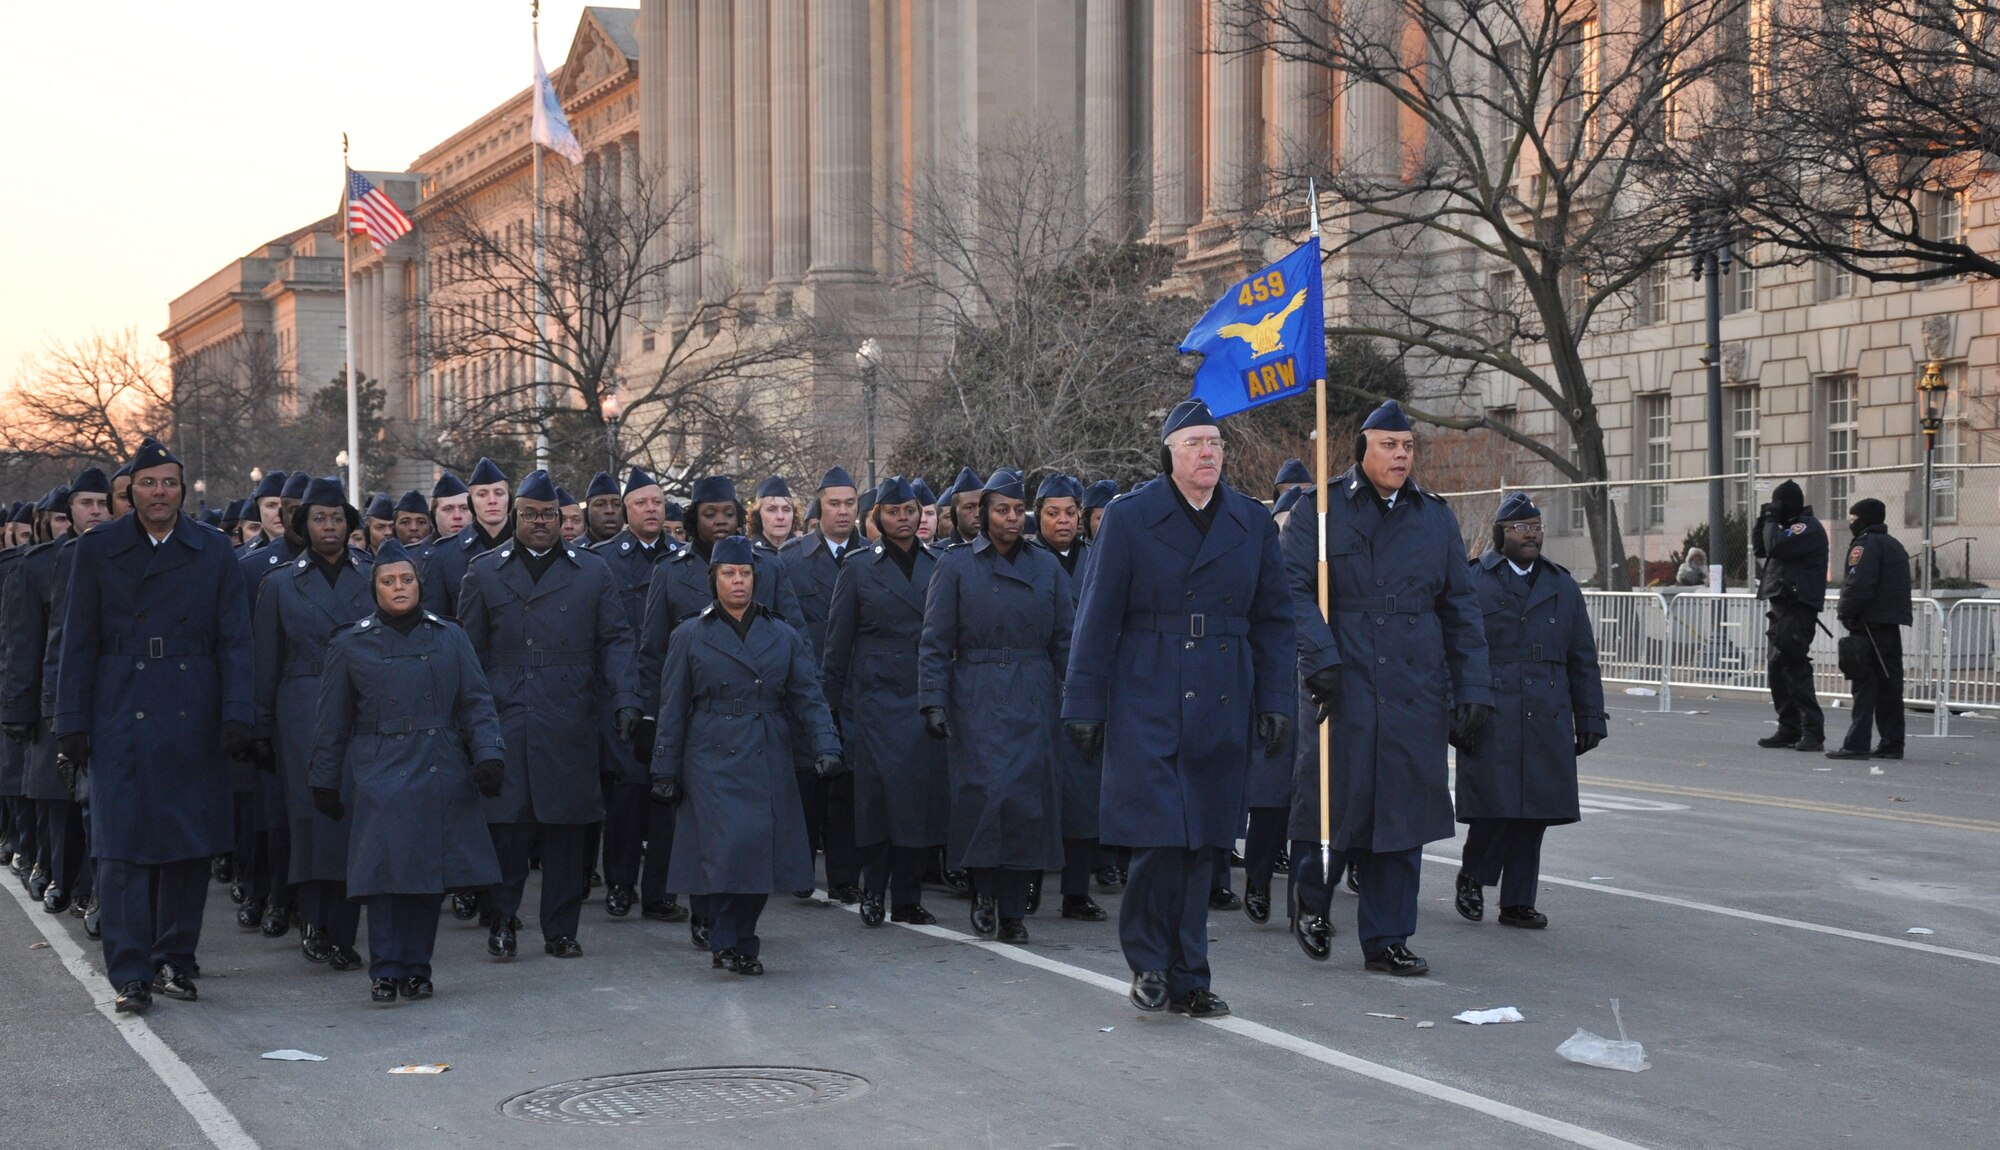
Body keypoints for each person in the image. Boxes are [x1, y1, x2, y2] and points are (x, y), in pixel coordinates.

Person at [1065, 402, 1292, 1017]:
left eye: (1215, 443)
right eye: (1194, 443)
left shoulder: (1250, 521)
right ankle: (1150, 964)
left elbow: (1273, 621)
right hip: (1149, 690)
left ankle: (1192, 975)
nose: (1208, 453)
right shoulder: (1131, 517)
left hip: (1223, 690)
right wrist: (1083, 703)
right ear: (1169, 452)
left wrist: (1276, 699)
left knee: (1205, 846)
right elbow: (1097, 616)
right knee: (1159, 841)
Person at [1281, 400, 1491, 978]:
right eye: (1389, 446)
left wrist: (1472, 687)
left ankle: (1388, 937)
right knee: (1333, 807)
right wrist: (1320, 657)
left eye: (1408, 447)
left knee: (1402, 816)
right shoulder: (1319, 510)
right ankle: (1312, 903)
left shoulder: (1434, 518)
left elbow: (1460, 608)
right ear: (1362, 451)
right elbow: (1290, 589)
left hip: (1413, 683)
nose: (1401, 456)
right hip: (1340, 683)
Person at [54, 439, 255, 1013]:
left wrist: (238, 713)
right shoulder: (97, 551)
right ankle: (131, 971)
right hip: (119, 708)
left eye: (168, 482)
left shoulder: (213, 549)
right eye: (147, 483)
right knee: (120, 852)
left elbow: (235, 641)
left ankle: (176, 958)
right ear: (130, 491)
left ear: (182, 489)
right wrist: (70, 721)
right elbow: (78, 642)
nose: (159, 492)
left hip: (193, 708)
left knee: (187, 850)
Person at [309, 540, 505, 1003]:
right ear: (373, 588)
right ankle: (385, 967)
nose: (399, 588)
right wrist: (324, 778)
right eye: (388, 581)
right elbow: (331, 719)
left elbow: (476, 702)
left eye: (407, 580)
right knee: (384, 874)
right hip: (379, 765)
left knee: (426, 876)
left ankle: (418, 968)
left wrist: (489, 754)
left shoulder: (450, 636)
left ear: (419, 584)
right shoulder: (351, 642)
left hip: (439, 762)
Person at [458, 470, 640, 960]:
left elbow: (616, 640)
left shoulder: (593, 571)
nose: (540, 522)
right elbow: (468, 653)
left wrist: (626, 698)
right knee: (508, 829)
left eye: (549, 515)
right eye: (531, 514)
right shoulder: (483, 571)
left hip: (570, 709)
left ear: (562, 519)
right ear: (516, 517)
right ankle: (501, 919)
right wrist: (470, 721)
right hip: (507, 708)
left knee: (566, 827)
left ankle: (561, 928)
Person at [649, 536, 840, 974]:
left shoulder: (783, 634)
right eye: (729, 574)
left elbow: (808, 697)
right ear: (712, 579)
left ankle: (741, 936)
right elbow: (672, 707)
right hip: (709, 751)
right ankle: (728, 942)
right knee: (724, 851)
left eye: (746, 573)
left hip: (766, 746)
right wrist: (664, 767)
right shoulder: (690, 634)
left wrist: (826, 745)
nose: (738, 582)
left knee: (757, 852)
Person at [920, 469, 1071, 945]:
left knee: (1026, 801)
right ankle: (984, 892)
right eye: (1000, 509)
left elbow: (1066, 640)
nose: (1010, 518)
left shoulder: (1045, 567)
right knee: (984, 795)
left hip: (1032, 689)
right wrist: (933, 700)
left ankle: (1013, 908)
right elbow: (935, 640)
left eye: (1016, 509)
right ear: (982, 514)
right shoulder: (958, 564)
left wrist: (1076, 699)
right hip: (976, 691)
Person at [1452, 493, 1605, 930]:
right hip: (1493, 709)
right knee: (1495, 806)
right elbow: (1455, 650)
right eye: (1522, 527)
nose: (1532, 533)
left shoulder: (1561, 584)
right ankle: (1473, 877)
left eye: (1536, 526)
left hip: (1547, 709)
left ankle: (1518, 900)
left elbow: (1582, 656)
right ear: (1502, 533)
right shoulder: (1474, 579)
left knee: (1533, 812)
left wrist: (1590, 717)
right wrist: (1455, 710)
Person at [249, 477, 373, 970]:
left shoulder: (373, 573)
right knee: (309, 819)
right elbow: (265, 662)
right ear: (303, 525)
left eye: (338, 518)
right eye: (319, 518)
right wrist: (259, 728)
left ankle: (344, 933)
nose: (329, 526)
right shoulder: (279, 582)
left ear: (349, 525)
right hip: (301, 709)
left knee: (353, 818)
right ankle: (313, 922)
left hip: (362, 707)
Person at [821, 477, 946, 927]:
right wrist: (827, 712)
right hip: (873, 698)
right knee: (878, 802)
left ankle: (908, 896)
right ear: (877, 518)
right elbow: (837, 645)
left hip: (924, 692)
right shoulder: (857, 568)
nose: (904, 519)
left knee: (921, 800)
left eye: (911, 510)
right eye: (894, 512)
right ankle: (873, 890)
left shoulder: (941, 563)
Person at [591, 468, 685, 923]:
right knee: (628, 790)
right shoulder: (603, 560)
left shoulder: (684, 560)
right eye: (642, 503)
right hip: (623, 691)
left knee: (667, 790)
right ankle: (621, 883)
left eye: (658, 503)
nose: (652, 510)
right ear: (625, 510)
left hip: (674, 689)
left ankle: (661, 891)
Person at [780, 467, 864, 901]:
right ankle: (799, 870)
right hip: (806, 684)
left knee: (846, 784)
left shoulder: (872, 555)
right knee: (806, 782)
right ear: (819, 507)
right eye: (834, 503)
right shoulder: (792, 559)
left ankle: (845, 875)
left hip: (855, 687)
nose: (843, 511)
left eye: (850, 503)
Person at [1029, 474, 1107, 922]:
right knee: (1035, 792)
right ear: (1037, 515)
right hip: (1035, 685)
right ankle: (1031, 880)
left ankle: (1076, 891)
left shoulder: (1099, 557)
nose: (1063, 521)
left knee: (1081, 796)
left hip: (1085, 687)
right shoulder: (1024, 558)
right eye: (1052, 512)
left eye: (1070, 512)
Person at [1828, 498, 1911, 761]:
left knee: (1864, 686)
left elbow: (1859, 584)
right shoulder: (1894, 545)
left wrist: (1845, 611)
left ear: (1864, 519)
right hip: (1890, 625)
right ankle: (1892, 743)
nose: (1851, 524)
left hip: (1868, 625)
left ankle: (1856, 744)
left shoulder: (1865, 545)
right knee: (1890, 687)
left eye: (1853, 519)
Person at [1753, 479, 1829, 751]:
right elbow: (1761, 548)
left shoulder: (1806, 528)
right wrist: (1764, 519)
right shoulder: (1786, 529)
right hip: (1781, 607)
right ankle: (1789, 727)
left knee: (1795, 668)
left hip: (1797, 608)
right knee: (1777, 669)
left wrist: (1773, 520)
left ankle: (1812, 730)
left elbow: (1775, 547)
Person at [422, 457, 510, 619]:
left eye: (499, 493)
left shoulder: (530, 546)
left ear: (509, 499)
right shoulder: (442, 556)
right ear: (471, 502)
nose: (492, 501)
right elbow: (435, 623)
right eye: (482, 494)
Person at [241, 471, 288, 557]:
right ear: (258, 510)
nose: (279, 513)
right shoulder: (240, 556)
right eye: (271, 506)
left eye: (285, 505)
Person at [749, 476, 797, 553]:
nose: (780, 516)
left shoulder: (807, 553)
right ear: (758, 515)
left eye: (786, 510)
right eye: (772, 510)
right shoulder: (747, 554)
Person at [428, 472, 472, 551]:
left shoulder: (487, 551)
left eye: (464, 508)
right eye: (448, 509)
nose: (457, 516)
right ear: (434, 515)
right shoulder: (413, 556)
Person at [941, 467, 983, 546]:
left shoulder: (1001, 549)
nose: (978, 514)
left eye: (981, 506)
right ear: (954, 512)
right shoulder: (938, 554)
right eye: (970, 507)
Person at [582, 472, 624, 545]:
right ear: (587, 511)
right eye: (600, 505)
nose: (610, 510)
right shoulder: (572, 552)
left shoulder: (639, 549)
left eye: (617, 504)